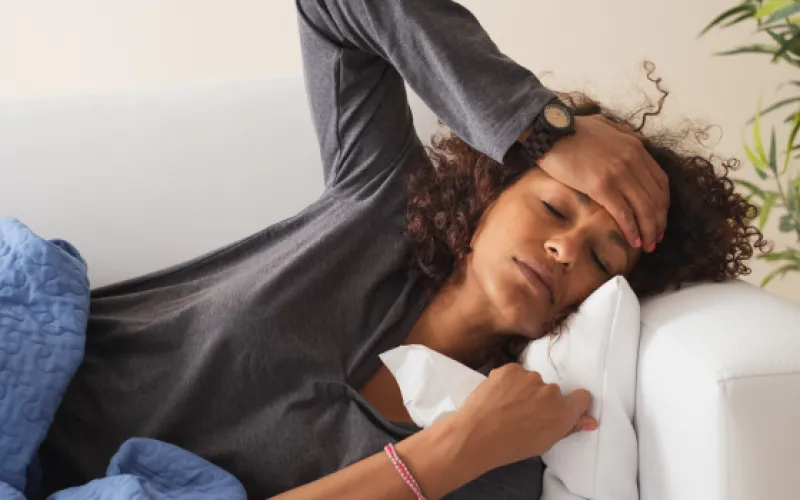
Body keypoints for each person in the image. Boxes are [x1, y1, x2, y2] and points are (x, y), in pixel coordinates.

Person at [37, 1, 765, 499]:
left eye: (604, 260)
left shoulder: (502, 446)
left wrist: (449, 454)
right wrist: (539, 127)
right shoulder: (380, 197)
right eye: (552, 204)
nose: (562, 246)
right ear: (491, 193)